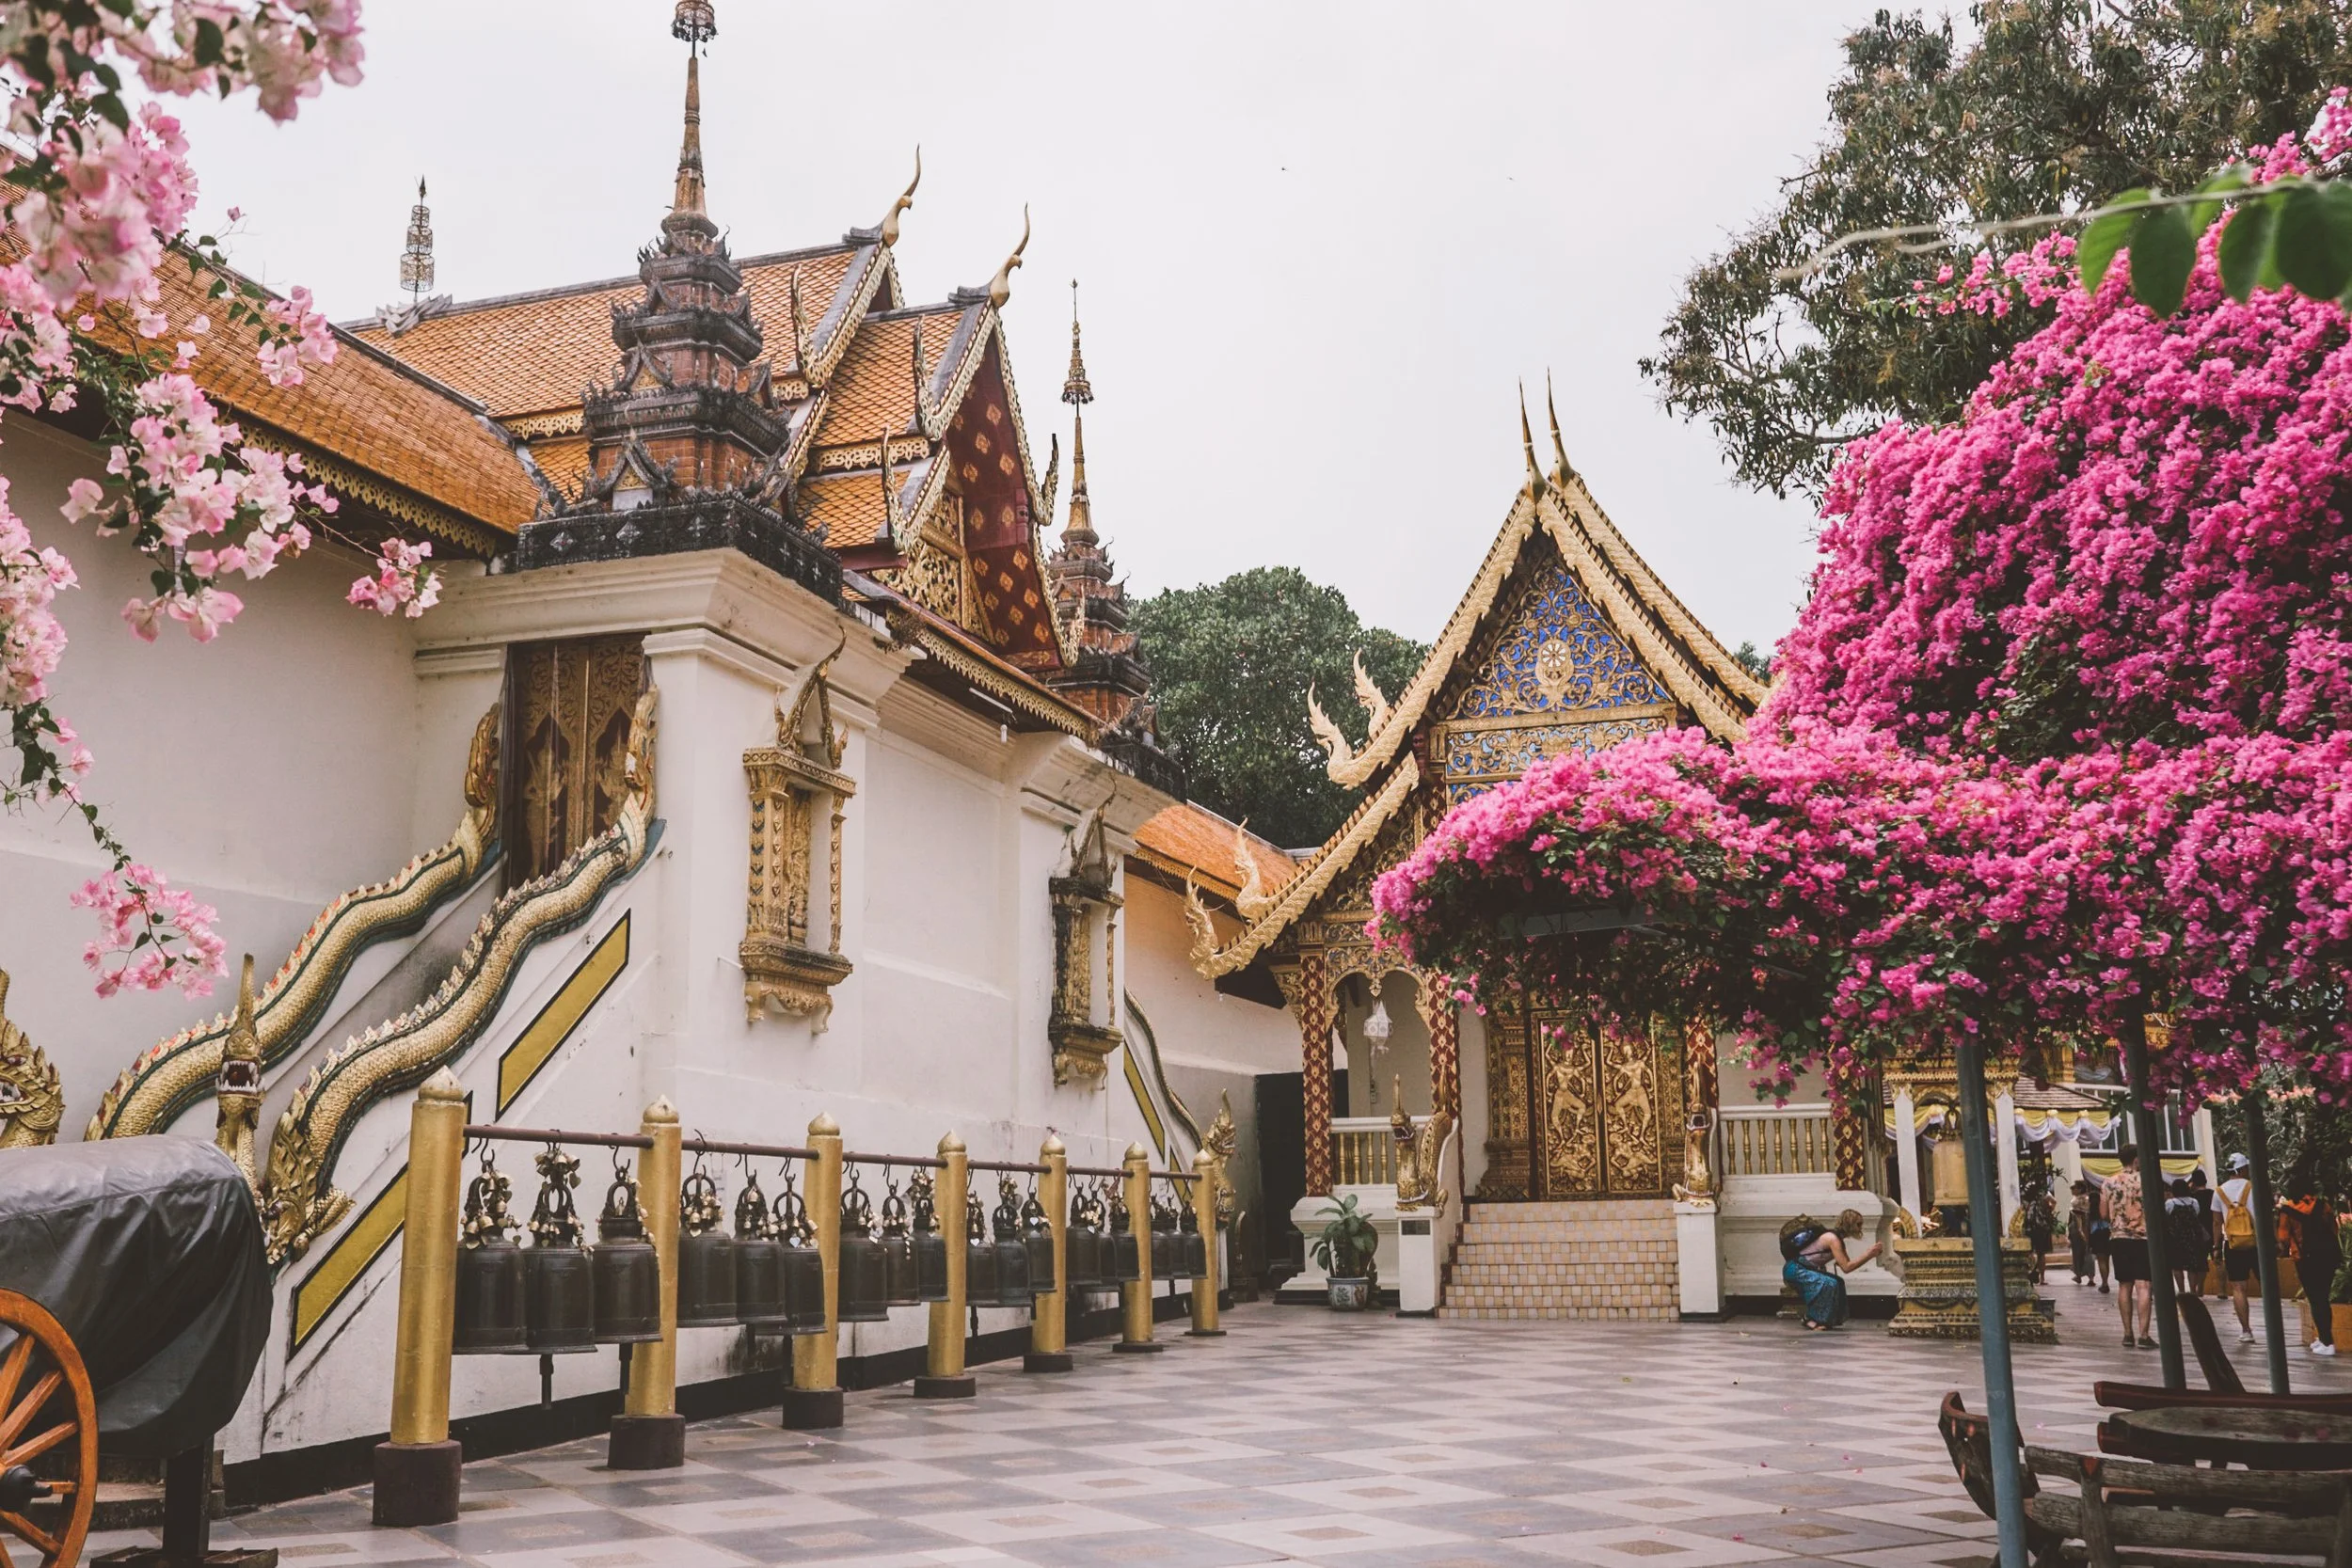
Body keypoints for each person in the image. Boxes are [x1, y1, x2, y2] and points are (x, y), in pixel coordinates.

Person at [1784, 1209, 1882, 1332]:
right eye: (1858, 1224)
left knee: (1838, 1281)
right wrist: (1869, 1254)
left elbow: (1846, 1264)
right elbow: (1847, 1267)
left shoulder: (1836, 1239)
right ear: (1849, 1224)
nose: (1860, 1228)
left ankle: (1829, 1319)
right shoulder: (1833, 1239)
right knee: (1829, 1283)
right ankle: (1811, 1318)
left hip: (1800, 1268)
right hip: (1796, 1269)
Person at [2285, 1189, 2343, 1359]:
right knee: (2322, 1297)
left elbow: (2282, 1236)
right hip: (2328, 1257)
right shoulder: (2323, 1205)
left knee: (2316, 1299)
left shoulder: (2288, 1209)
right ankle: (2324, 1338)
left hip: (2305, 1258)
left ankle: (2327, 1342)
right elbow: (2334, 1228)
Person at [2216, 1151, 2264, 1344]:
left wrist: (2216, 1246)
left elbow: (2216, 1222)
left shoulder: (2219, 1191)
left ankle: (2246, 1330)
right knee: (2266, 1284)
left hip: (2233, 1244)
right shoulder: (2253, 1187)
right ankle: (2273, 1324)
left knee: (2238, 1287)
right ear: (2242, 1169)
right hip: (2257, 1243)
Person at [2108, 1148, 2152, 1348]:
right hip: (2142, 1237)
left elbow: (2103, 1212)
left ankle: (2127, 1333)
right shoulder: (2147, 1181)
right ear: (2136, 1159)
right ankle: (2144, 1334)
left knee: (2124, 1285)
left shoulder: (2109, 1182)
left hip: (2118, 1237)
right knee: (2143, 1286)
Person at [2166, 1177, 2207, 1300]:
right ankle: (2193, 1290)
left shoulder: (2170, 1203)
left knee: (2177, 1266)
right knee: (2192, 1266)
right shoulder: (2194, 1202)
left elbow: (2166, 1216)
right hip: (2192, 1237)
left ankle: (2182, 1290)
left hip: (2176, 1237)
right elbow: (2197, 1214)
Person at [2024, 1180, 2058, 1285]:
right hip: (2042, 1228)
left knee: (2031, 1252)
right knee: (2041, 1253)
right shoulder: (2044, 1196)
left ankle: (2032, 1272)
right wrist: (2050, 1210)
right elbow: (2054, 1201)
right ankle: (2041, 1277)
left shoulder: (2027, 1199)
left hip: (2031, 1228)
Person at [2068, 1179, 2097, 1285]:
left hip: (2078, 1228)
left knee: (2079, 1252)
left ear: (2080, 1189)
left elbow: (2076, 1217)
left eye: (2074, 1188)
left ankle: (2080, 1274)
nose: (2072, 1189)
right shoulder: (2086, 1199)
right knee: (2086, 1252)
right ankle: (2088, 1276)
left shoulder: (2077, 1201)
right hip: (2085, 1227)